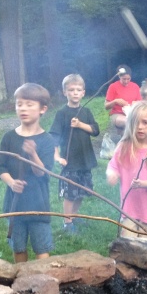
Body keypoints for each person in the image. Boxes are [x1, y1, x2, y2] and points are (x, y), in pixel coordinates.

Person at [0, 83, 56, 264]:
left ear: (42, 109)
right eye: (19, 104)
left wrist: (32, 153)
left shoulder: (46, 140)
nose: (23, 108)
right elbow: (0, 167)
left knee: (41, 249)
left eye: (29, 104)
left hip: (38, 205)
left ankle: (43, 284)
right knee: (18, 247)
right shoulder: (9, 137)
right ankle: (21, 281)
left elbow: (42, 172)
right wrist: (12, 183)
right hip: (15, 205)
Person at [106, 102, 147, 237]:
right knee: (128, 242)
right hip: (129, 207)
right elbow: (113, 165)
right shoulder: (124, 146)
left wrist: (141, 184)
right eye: (136, 122)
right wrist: (112, 174)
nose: (140, 127)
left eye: (145, 123)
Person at [49, 74, 100, 234]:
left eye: (78, 90)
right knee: (70, 193)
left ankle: (75, 216)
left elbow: (95, 130)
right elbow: (54, 137)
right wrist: (57, 156)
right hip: (70, 160)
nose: (75, 93)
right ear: (65, 92)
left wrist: (80, 124)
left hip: (84, 159)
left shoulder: (86, 111)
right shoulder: (62, 113)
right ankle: (67, 222)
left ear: (83, 92)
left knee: (81, 191)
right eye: (71, 90)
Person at [104, 64, 141, 133]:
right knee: (128, 122)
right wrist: (115, 101)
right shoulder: (113, 86)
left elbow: (141, 103)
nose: (126, 81)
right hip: (117, 114)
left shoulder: (135, 86)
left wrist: (136, 103)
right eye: (124, 79)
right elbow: (106, 106)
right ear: (119, 76)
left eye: (128, 79)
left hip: (132, 114)